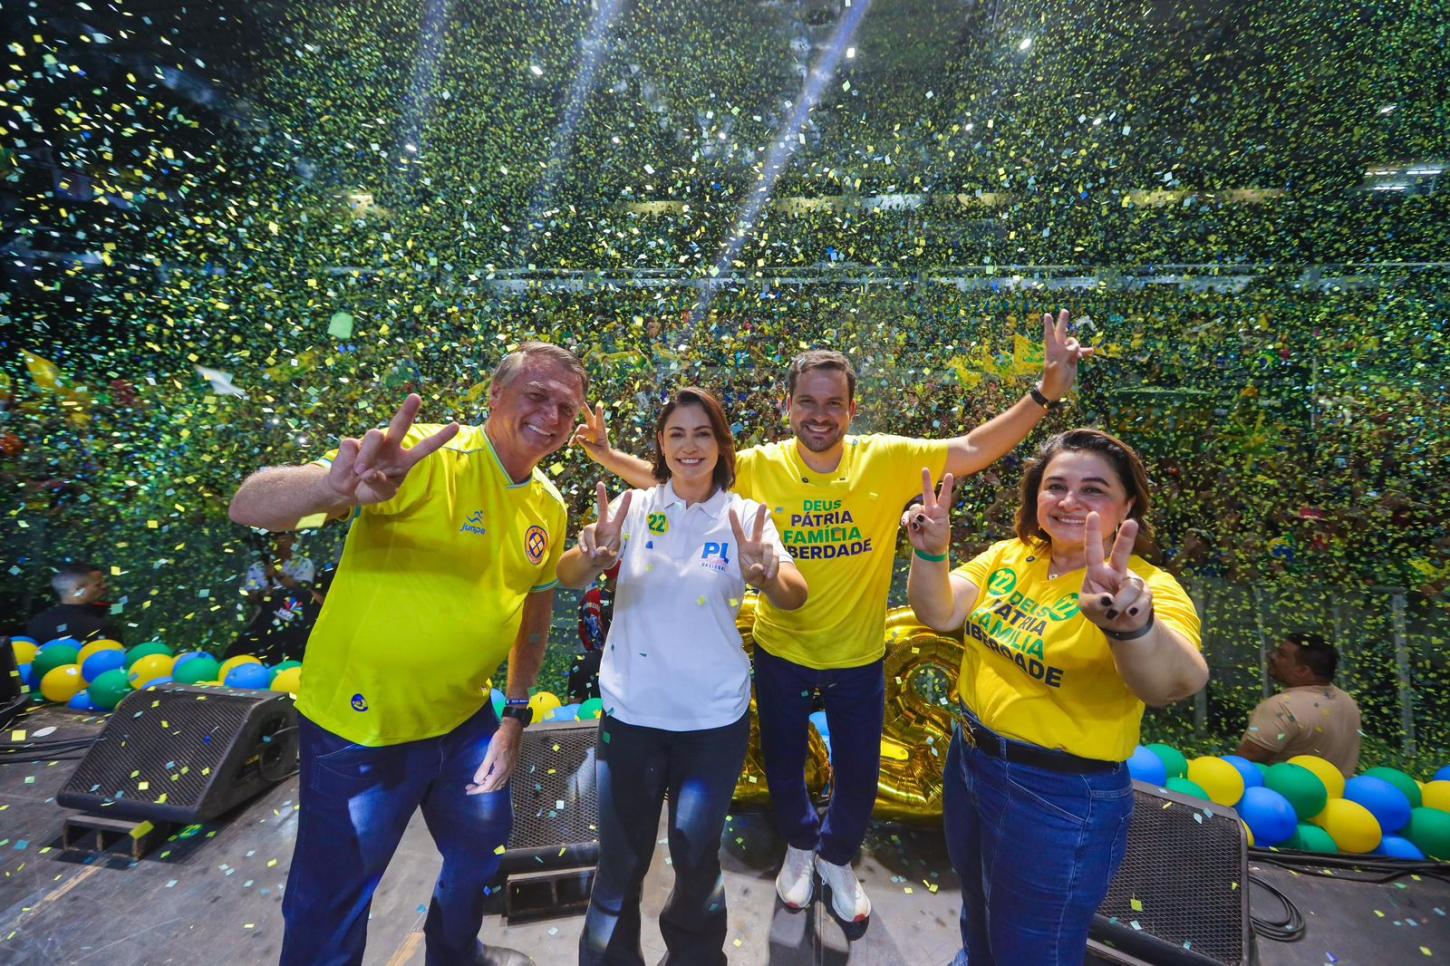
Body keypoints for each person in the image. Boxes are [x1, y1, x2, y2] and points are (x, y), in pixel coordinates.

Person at [577, 312, 1090, 922]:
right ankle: (800, 846)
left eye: (833, 403)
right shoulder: (761, 465)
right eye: (807, 402)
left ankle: (838, 857)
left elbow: (975, 447)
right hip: (782, 650)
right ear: (787, 407)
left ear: (852, 410)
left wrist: (1045, 392)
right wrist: (607, 456)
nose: (819, 415)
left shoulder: (886, 459)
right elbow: (681, 473)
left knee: (859, 773)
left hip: (858, 654)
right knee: (785, 767)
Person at [228, 341, 587, 966]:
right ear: (495, 395)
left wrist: (514, 714)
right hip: (362, 727)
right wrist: (329, 487)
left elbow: (534, 615)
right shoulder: (425, 456)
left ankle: (454, 953)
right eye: (536, 396)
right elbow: (249, 504)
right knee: (333, 898)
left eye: (567, 408)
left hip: (465, 721)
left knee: (480, 848)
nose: (552, 417)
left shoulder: (548, 504)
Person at [906, 427, 1208, 965]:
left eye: (1093, 489)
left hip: (1058, 797)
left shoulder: (1145, 587)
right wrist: (931, 554)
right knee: (977, 907)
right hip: (970, 761)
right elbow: (940, 611)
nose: (1069, 501)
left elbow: (1174, 683)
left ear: (1128, 506)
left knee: (1032, 945)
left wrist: (1130, 626)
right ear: (1036, 496)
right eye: (1056, 486)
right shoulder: (1010, 555)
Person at [560, 387, 807, 966]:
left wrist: (766, 575)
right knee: (620, 858)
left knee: (696, 851)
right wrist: (592, 556)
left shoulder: (744, 516)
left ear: (721, 445)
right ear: (661, 445)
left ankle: (696, 956)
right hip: (633, 716)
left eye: (702, 434)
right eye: (677, 434)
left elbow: (794, 593)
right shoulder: (634, 507)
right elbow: (569, 574)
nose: (689, 446)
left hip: (712, 721)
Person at [1236, 633, 1361, 776]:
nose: (1272, 656)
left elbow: (1242, 764)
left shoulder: (1282, 707)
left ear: (1302, 671)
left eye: (1282, 654)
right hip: (1339, 788)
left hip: (1284, 789)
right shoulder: (1347, 700)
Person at [227, 531, 320, 664]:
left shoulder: (304, 563)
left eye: (285, 538)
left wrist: (276, 574)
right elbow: (250, 594)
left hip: (293, 617)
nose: (281, 542)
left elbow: (303, 588)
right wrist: (263, 595)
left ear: (293, 540)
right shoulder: (258, 566)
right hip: (263, 618)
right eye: (277, 538)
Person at [26, 562, 124, 644]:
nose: (105, 587)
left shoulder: (38, 622)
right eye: (98, 585)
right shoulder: (100, 626)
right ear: (79, 589)